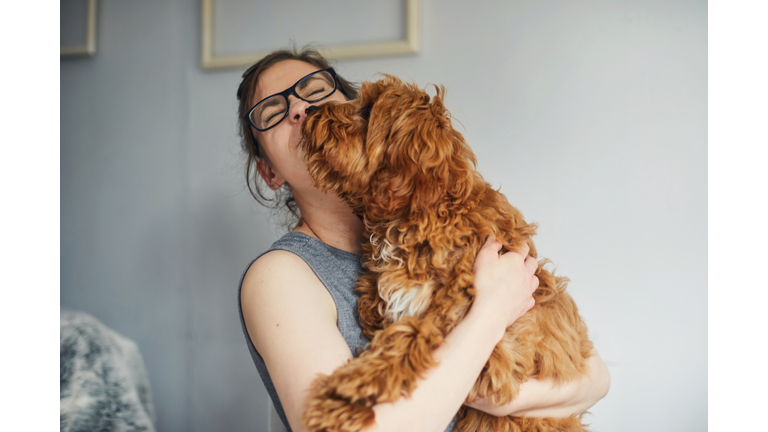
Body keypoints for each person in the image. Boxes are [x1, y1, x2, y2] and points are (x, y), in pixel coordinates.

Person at [236, 47, 610, 432]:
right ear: (269, 172)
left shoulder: (449, 226)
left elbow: (595, 378)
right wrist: (492, 311)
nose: (301, 109)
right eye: (272, 112)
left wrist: (499, 397)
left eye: (313, 89)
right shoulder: (279, 276)